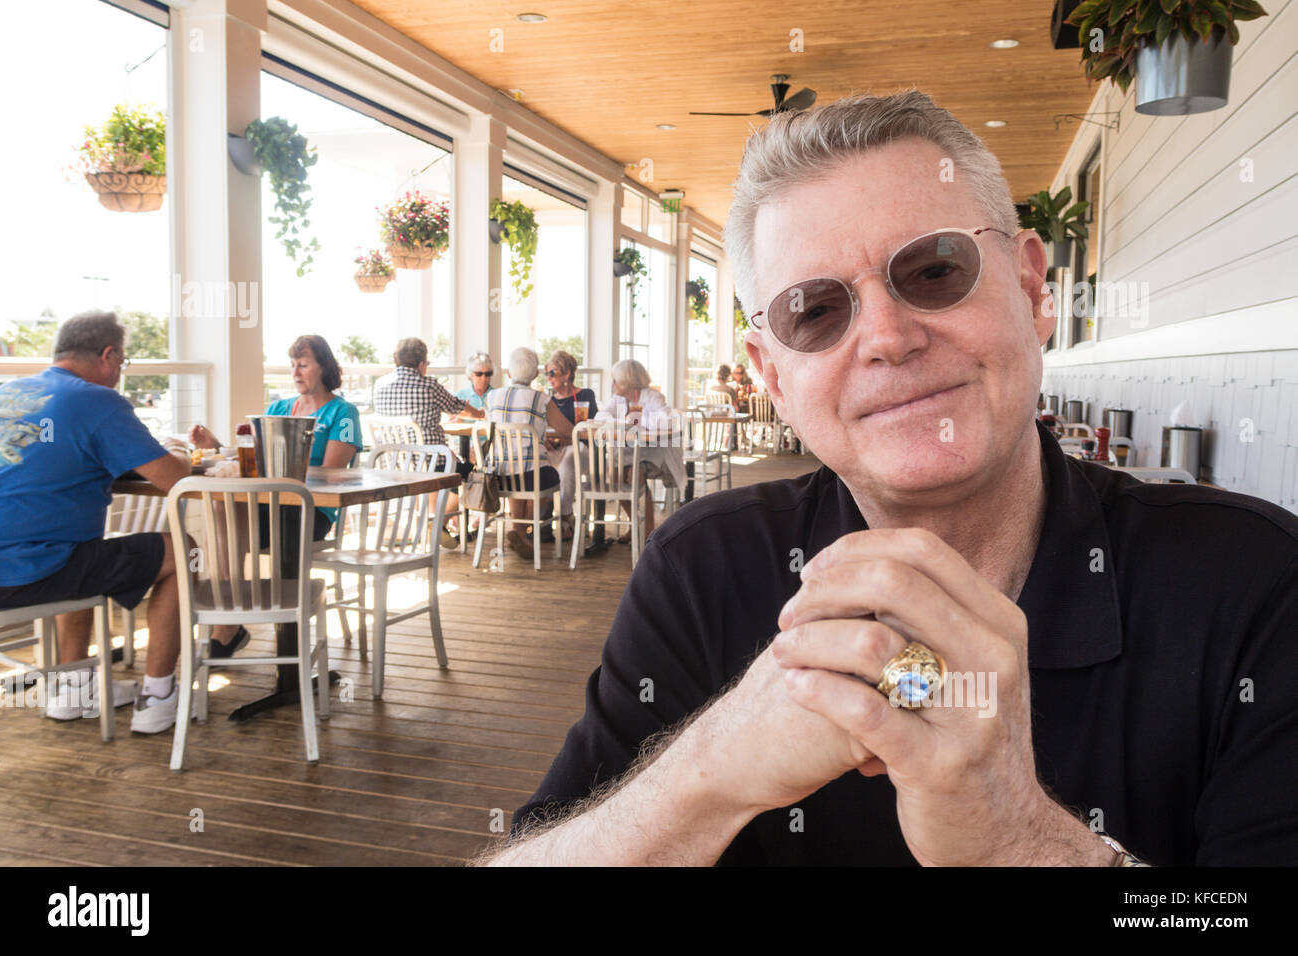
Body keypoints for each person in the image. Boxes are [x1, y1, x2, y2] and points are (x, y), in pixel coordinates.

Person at [483, 90, 1298, 866]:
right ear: (771, 375)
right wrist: (710, 770)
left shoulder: (1255, 583)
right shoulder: (701, 567)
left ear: (1031, 288)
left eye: (934, 271)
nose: (886, 338)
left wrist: (1019, 844)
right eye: (816, 310)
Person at [0, 310, 190, 732]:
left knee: (83, 547)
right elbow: (174, 480)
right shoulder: (97, 400)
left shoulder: (7, 394)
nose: (121, 372)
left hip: (20, 566)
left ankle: (73, 691)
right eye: (123, 363)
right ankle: (158, 697)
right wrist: (182, 454)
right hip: (29, 573)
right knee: (183, 549)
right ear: (108, 355)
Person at [189, 334, 362, 654]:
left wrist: (285, 468)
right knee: (222, 506)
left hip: (311, 512)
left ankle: (260, 635)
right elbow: (252, 460)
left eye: (304, 365)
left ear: (323, 367)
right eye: (293, 365)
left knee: (280, 517)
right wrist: (215, 446)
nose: (296, 372)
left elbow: (331, 474)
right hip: (270, 509)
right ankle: (232, 612)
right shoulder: (278, 408)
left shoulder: (342, 412)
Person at [373, 337, 482, 542]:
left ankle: (429, 523)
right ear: (422, 364)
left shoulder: (379, 385)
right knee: (474, 475)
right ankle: (437, 521)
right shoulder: (429, 385)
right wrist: (480, 414)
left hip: (392, 465)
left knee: (450, 464)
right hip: (429, 464)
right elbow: (458, 406)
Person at [484, 347, 572, 559]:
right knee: (545, 474)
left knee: (517, 472)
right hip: (531, 478)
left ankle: (519, 534)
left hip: (498, 477)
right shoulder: (540, 399)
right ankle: (520, 532)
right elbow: (568, 430)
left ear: (508, 373)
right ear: (535, 374)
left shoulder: (491, 397)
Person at [594, 359, 670, 542]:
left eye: (616, 380)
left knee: (634, 475)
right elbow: (600, 415)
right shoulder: (618, 399)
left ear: (627, 381)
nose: (613, 384)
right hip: (627, 452)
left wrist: (637, 419)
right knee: (613, 476)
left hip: (652, 451)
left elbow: (665, 420)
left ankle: (649, 530)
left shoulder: (653, 397)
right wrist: (623, 422)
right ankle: (635, 522)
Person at [543, 350, 597, 541]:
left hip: (581, 451)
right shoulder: (547, 402)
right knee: (538, 459)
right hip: (556, 449)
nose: (549, 378)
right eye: (547, 373)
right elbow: (543, 429)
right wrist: (544, 440)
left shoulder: (586, 395)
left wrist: (565, 439)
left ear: (567, 374)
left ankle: (566, 516)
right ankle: (541, 521)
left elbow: (591, 430)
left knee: (569, 459)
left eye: (553, 373)